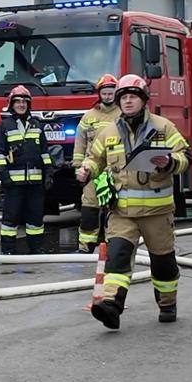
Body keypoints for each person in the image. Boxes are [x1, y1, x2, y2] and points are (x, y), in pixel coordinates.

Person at [78, 74, 190, 329]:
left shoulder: (163, 128)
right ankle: (111, 307)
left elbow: (186, 156)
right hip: (122, 212)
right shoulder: (108, 132)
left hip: (157, 213)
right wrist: (86, 169)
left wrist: (170, 163)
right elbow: (95, 159)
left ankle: (167, 303)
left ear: (143, 100)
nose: (127, 102)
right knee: (116, 258)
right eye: (123, 97)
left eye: (132, 97)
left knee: (163, 263)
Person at [0, 85, 53, 255]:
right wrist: (4, 177)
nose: (21, 104)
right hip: (13, 184)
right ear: (11, 104)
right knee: (10, 219)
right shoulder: (4, 126)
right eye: (17, 101)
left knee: (36, 218)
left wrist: (48, 174)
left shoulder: (36, 125)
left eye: (25, 101)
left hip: (35, 182)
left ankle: (36, 250)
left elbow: (45, 153)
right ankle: (8, 251)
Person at [75, 73, 121, 252]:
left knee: (114, 209)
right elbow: (80, 142)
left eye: (111, 93)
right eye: (105, 93)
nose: (108, 96)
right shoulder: (89, 116)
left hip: (115, 170)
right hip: (92, 170)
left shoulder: (122, 114)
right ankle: (85, 246)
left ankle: (113, 245)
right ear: (99, 94)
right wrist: (78, 166)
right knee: (89, 208)